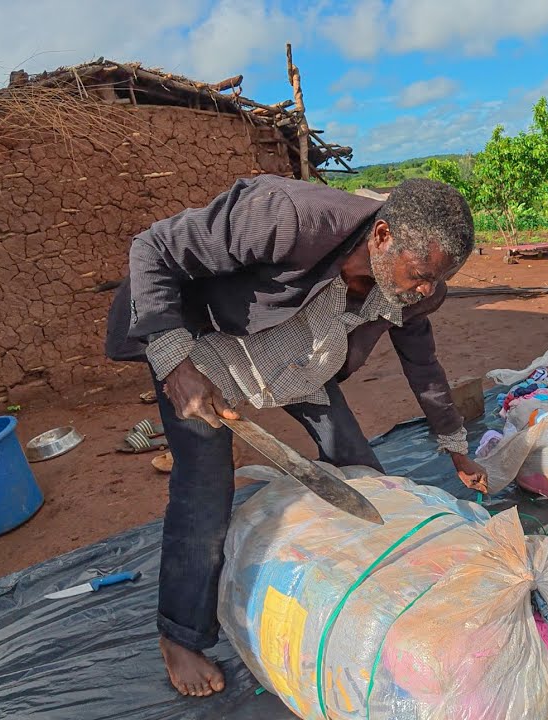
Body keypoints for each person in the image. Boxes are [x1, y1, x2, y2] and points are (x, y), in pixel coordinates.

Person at [104, 176, 491, 697]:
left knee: (359, 469)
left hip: (300, 362)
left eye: (437, 280)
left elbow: (422, 361)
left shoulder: (417, 285)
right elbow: (154, 247)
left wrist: (455, 446)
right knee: (204, 490)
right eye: (422, 275)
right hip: (202, 346)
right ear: (381, 236)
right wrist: (174, 362)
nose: (427, 290)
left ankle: (374, 590)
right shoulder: (285, 216)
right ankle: (179, 635)